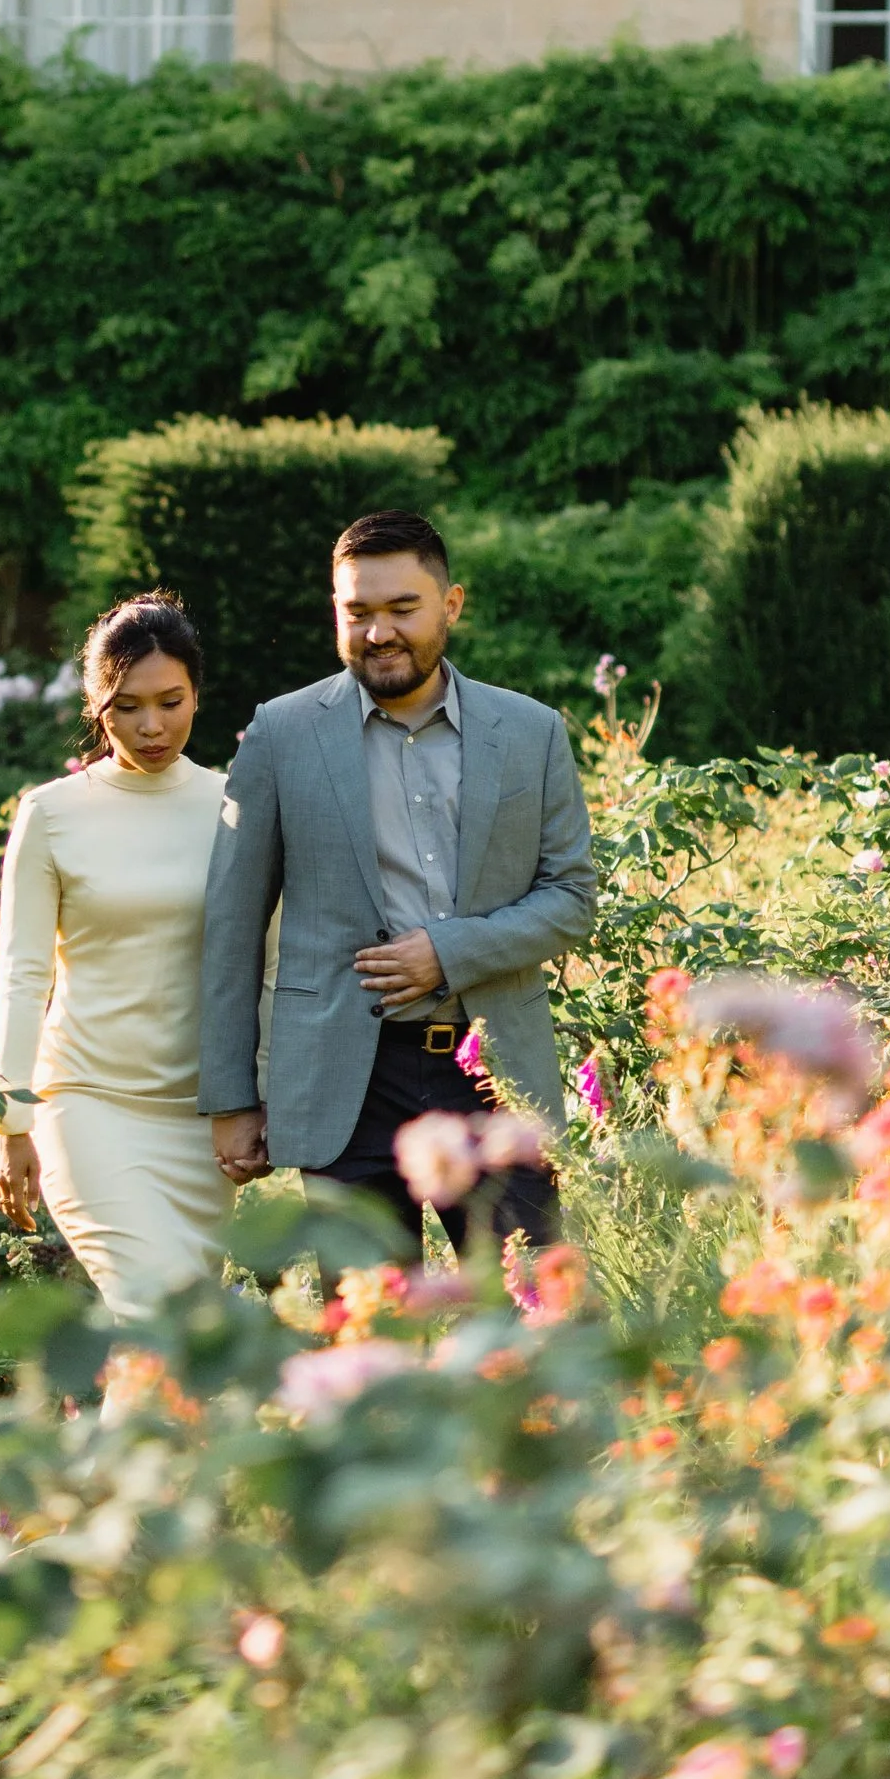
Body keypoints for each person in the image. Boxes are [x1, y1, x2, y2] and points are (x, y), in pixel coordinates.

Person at [197, 506, 596, 1259]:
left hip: (493, 1078)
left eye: (402, 609)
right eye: (358, 612)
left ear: (451, 605)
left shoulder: (531, 732)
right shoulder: (281, 735)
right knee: (369, 1340)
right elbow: (232, 925)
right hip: (342, 1082)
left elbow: (571, 898)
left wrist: (449, 952)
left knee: (536, 1322)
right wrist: (231, 1098)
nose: (379, 631)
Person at [0, 592, 235, 1317]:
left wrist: (253, 1101)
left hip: (199, 1127)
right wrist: (10, 1121)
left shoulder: (236, 808)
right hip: (87, 1107)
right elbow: (22, 974)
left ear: (197, 694)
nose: (152, 726)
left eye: (170, 701)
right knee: (157, 1320)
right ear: (98, 706)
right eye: (127, 707)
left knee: (178, 1354)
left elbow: (268, 966)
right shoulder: (52, 813)